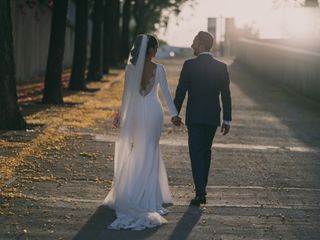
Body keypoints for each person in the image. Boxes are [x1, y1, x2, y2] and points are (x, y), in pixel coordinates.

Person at [102, 34, 180, 230]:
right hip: (154, 112)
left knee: (138, 150)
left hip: (136, 113)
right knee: (150, 151)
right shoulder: (159, 68)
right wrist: (175, 114)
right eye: (155, 48)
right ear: (150, 49)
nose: (156, 51)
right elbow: (167, 95)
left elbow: (126, 95)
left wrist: (121, 114)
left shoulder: (130, 69)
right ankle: (147, 197)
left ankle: (131, 192)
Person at [172, 31, 232, 206]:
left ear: (201, 44)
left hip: (195, 118)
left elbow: (181, 91)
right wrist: (227, 119)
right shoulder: (221, 67)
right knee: (205, 153)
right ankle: (201, 190)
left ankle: (200, 193)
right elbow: (226, 95)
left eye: (194, 42)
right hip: (212, 118)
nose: (192, 46)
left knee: (196, 154)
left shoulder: (189, 65)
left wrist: (175, 113)